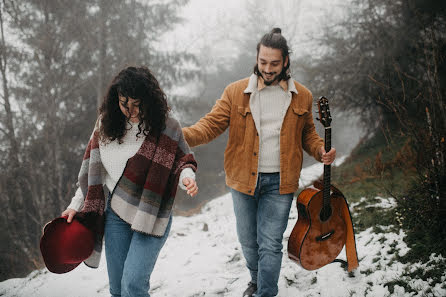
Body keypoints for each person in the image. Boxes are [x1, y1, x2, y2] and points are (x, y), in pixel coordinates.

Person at [182, 28, 336, 297]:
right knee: (249, 242)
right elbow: (208, 127)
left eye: (274, 63)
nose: (267, 68)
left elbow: (309, 134)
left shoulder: (302, 95)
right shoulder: (235, 92)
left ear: (286, 61)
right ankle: (256, 280)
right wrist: (175, 135)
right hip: (243, 180)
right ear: (257, 58)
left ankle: (265, 291)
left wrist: (320, 149)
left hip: (280, 182)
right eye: (263, 62)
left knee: (270, 243)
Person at [61, 66, 198, 297]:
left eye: (137, 104)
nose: (131, 111)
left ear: (149, 99)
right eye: (124, 103)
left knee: (133, 285)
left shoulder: (167, 126)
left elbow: (184, 160)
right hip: (116, 214)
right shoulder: (104, 124)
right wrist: (75, 206)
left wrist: (187, 177)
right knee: (117, 289)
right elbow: (92, 172)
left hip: (151, 213)